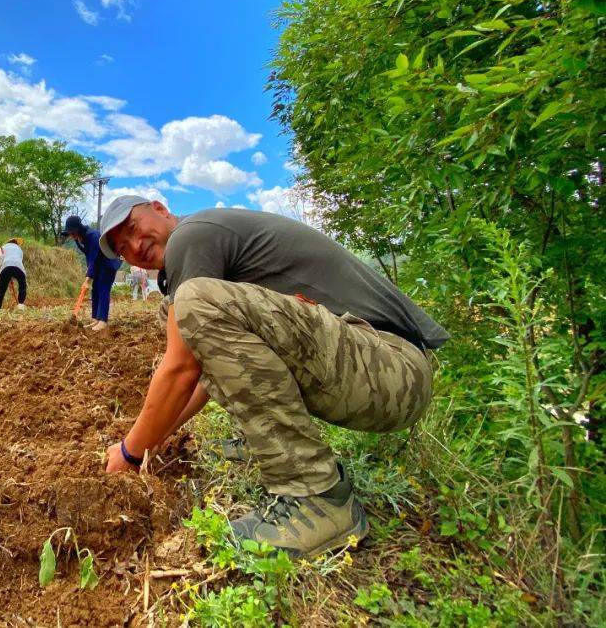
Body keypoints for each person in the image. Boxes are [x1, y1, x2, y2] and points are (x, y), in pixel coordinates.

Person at [97, 195, 448, 557]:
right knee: (176, 312)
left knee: (191, 305)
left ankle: (316, 494)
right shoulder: (200, 250)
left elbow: (181, 367)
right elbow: (203, 372)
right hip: (377, 370)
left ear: (159, 208)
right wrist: (156, 439)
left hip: (390, 368)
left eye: (134, 230)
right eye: (123, 249)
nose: (135, 246)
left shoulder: (193, 235)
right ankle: (265, 440)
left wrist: (131, 451)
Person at [62, 214, 121, 332]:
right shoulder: (80, 238)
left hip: (108, 263)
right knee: (95, 290)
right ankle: (96, 319)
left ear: (78, 228)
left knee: (103, 289)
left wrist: (87, 279)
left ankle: (103, 321)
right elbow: (88, 256)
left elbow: (93, 257)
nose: (71, 236)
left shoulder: (93, 236)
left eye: (73, 233)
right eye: (70, 234)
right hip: (99, 265)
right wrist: (89, 270)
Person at [0, 237, 27, 310]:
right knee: (22, 285)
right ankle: (21, 304)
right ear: (16, 243)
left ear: (9, 242)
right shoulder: (19, 249)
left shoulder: (3, 247)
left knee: (1, 288)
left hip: (6, 267)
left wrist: (4, 267)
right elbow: (19, 260)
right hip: (18, 267)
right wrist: (12, 274)